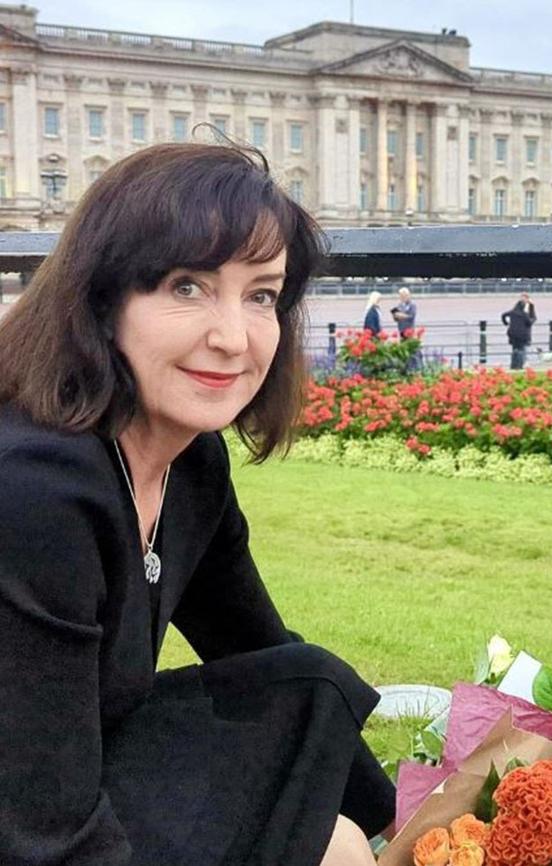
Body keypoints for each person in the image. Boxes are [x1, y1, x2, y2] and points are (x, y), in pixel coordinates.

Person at [0, 142, 395, 866]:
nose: (232, 337)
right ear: (102, 297)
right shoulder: (33, 495)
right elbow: (44, 837)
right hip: (27, 815)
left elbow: (264, 652)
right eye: (187, 286)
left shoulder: (188, 461)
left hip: (71, 764)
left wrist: (414, 827)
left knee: (313, 697)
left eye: (262, 295)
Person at [501, 297, 535, 369]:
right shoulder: (524, 314)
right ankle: (521, 364)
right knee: (522, 350)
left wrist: (506, 323)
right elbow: (530, 322)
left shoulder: (512, 312)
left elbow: (503, 315)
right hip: (522, 336)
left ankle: (514, 364)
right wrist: (532, 309)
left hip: (512, 335)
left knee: (515, 349)